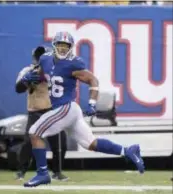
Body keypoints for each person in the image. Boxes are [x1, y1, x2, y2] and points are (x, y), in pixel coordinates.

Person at [23, 32, 145, 187]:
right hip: (68, 111)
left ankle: (42, 174)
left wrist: (92, 103)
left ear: (71, 47)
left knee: (35, 132)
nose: (62, 48)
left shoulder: (74, 63)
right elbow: (41, 75)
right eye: (60, 45)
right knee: (90, 144)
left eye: (65, 46)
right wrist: (30, 77)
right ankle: (128, 151)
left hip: (65, 108)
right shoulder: (45, 59)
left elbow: (92, 80)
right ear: (54, 46)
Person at [15, 46, 68, 181]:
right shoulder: (27, 71)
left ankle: (57, 171)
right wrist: (26, 80)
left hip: (52, 111)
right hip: (35, 112)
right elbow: (18, 88)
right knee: (29, 143)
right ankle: (21, 171)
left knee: (60, 142)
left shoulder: (57, 71)